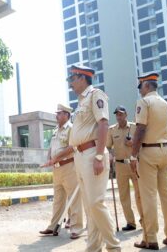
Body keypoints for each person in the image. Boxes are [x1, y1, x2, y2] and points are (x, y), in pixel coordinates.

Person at [67, 64, 121, 252]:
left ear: (82, 78)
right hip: (80, 155)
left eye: (72, 79)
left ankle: (114, 247)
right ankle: (93, 247)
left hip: (92, 154)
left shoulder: (96, 95)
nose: (70, 84)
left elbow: (104, 124)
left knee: (96, 203)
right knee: (89, 206)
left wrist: (99, 156)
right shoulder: (81, 102)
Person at [130, 73, 167, 250]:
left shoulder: (144, 102)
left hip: (149, 152)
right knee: (166, 195)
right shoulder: (164, 103)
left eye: (141, 86)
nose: (140, 90)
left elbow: (140, 129)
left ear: (147, 86)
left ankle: (150, 239)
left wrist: (133, 156)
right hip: (165, 151)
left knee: (148, 195)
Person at [39, 103, 83, 239]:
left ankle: (76, 228)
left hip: (69, 166)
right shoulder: (55, 130)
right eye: (56, 113)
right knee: (58, 200)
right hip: (57, 169)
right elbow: (51, 148)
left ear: (66, 115)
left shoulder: (71, 129)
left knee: (74, 199)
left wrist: (56, 158)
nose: (56, 115)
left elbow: (72, 147)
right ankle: (53, 226)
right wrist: (49, 160)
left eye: (59, 113)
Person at [106, 105, 142, 231]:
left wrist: (133, 143)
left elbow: (142, 143)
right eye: (117, 114)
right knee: (124, 196)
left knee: (139, 194)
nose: (119, 117)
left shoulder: (134, 127)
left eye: (121, 114)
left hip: (135, 164)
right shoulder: (111, 130)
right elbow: (108, 147)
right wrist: (110, 155)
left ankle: (144, 220)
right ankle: (130, 223)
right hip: (120, 166)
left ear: (126, 114)